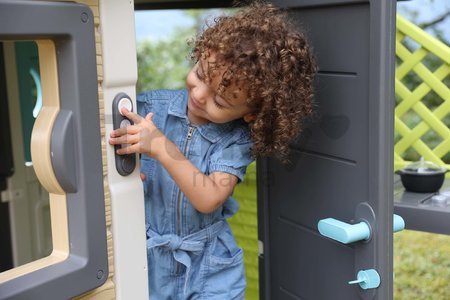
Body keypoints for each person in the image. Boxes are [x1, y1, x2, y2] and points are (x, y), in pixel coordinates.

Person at [109, 1, 316, 298]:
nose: (199, 94)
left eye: (220, 102)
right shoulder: (151, 107)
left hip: (210, 270)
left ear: (251, 114)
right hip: (150, 262)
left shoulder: (236, 141)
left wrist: (160, 147)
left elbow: (209, 198)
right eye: (201, 74)